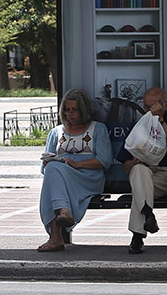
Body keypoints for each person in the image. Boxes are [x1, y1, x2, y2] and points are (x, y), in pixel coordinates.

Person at [37, 88, 113, 252]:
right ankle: (63, 213)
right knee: (52, 169)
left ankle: (55, 237)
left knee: (54, 173)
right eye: (67, 110)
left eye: (74, 110)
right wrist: (51, 163)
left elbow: (104, 160)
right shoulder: (56, 132)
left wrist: (76, 164)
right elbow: (45, 166)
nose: (70, 114)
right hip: (62, 179)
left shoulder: (97, 129)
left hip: (88, 177)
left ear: (83, 110)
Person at [115, 87, 167, 254]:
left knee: (140, 190)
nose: (149, 111)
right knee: (139, 171)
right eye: (146, 107)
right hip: (144, 174)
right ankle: (147, 216)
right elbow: (126, 167)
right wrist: (135, 161)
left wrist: (160, 120)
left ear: (164, 105)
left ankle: (138, 236)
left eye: (154, 106)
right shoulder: (139, 126)